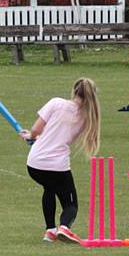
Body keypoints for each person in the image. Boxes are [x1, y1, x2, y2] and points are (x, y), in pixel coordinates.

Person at [19, 78, 101, 244]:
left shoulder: (56, 103)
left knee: (49, 188)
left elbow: (36, 129)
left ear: (74, 90)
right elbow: (63, 138)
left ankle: (50, 231)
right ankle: (64, 227)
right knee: (71, 205)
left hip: (35, 164)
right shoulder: (86, 118)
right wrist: (35, 136)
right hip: (57, 166)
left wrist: (32, 137)